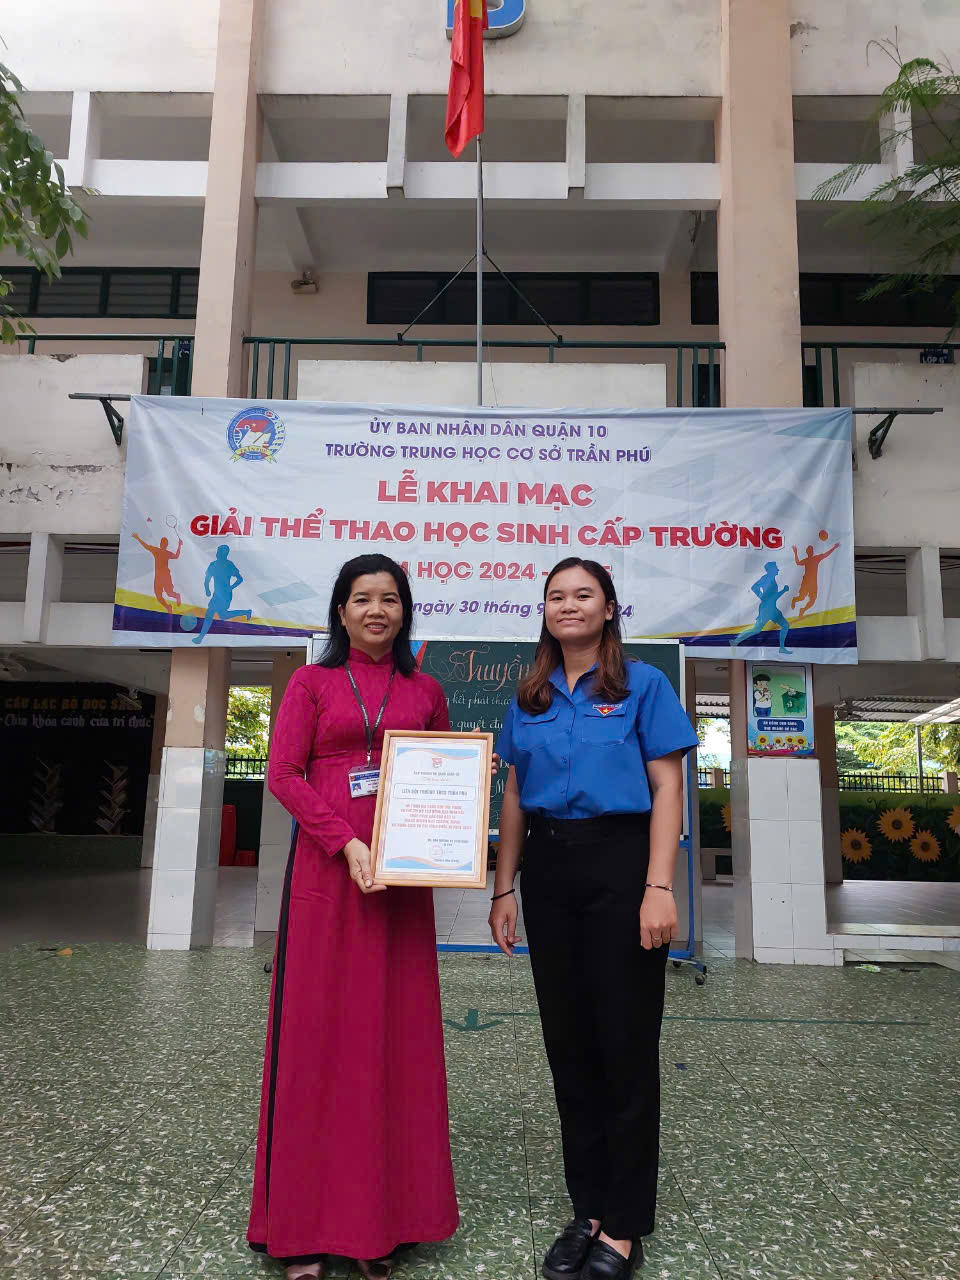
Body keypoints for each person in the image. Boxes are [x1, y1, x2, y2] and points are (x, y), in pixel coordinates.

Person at [247, 554, 458, 1280]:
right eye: (362, 599)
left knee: (393, 1042)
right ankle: (301, 1228)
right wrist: (344, 841)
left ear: (405, 611)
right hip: (328, 878)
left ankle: (383, 1223)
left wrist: (467, 789)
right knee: (318, 1039)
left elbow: (443, 768)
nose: (376, 611)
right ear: (340, 611)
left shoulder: (426, 690)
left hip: (401, 888)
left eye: (389, 599)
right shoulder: (311, 683)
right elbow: (283, 774)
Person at [489, 558, 697, 1280]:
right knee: (569, 1045)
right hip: (549, 871)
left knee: (625, 1045)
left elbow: (668, 788)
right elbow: (515, 792)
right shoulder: (531, 693)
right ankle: (588, 1209)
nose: (568, 605)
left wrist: (659, 886)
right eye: (556, 596)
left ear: (609, 609)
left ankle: (626, 1224)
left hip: (623, 865)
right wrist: (504, 887)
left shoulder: (644, 685)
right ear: (544, 611)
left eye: (584, 594)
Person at [194, 544, 253, 643]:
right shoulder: (213, 565)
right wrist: (207, 589)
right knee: (223, 615)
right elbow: (207, 579)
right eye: (217, 551)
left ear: (224, 554)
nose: (217, 553)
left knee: (210, 614)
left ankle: (200, 638)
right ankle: (246, 612)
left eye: (219, 552)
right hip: (217, 594)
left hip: (225, 595)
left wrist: (231, 587)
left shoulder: (229, 565)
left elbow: (240, 579)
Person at [734, 561, 792, 654]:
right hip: (767, 609)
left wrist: (783, 591)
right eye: (775, 568)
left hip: (770, 608)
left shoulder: (771, 579)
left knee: (783, 625)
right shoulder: (767, 578)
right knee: (757, 630)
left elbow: (773, 597)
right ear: (771, 570)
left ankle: (781, 648)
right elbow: (754, 587)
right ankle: (736, 640)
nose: (778, 569)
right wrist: (762, 596)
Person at [132, 530, 182, 614]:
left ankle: (177, 596)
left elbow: (176, 556)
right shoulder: (156, 550)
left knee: (169, 594)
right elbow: (146, 546)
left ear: (166, 545)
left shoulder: (166, 553)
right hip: (158, 578)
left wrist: (179, 545)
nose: (163, 545)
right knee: (158, 596)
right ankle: (168, 607)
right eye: (162, 543)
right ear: (160, 544)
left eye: (164, 544)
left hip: (166, 577)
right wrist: (137, 538)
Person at [791, 541, 839, 618]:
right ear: (807, 552)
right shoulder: (806, 560)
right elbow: (798, 563)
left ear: (813, 552)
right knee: (802, 598)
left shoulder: (816, 558)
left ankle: (803, 610)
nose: (811, 552)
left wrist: (834, 547)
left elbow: (826, 554)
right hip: (806, 583)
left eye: (812, 550)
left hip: (813, 584)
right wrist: (795, 552)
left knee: (813, 600)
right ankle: (794, 600)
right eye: (809, 550)